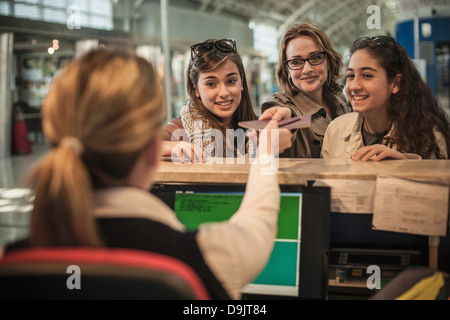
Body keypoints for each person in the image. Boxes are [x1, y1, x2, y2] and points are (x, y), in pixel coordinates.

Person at [2, 49, 289, 300]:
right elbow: (258, 224)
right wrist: (266, 156)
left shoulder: (13, 262)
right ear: (153, 150)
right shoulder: (197, 256)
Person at [161, 38, 291, 162]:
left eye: (231, 81)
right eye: (211, 84)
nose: (224, 93)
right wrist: (173, 146)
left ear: (241, 83)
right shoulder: (180, 129)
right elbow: (144, 146)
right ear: (196, 90)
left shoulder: (256, 129)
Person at [322, 36, 449, 161]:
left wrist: (404, 165)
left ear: (395, 84)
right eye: (350, 75)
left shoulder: (428, 135)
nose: (354, 86)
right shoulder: (336, 130)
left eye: (367, 75)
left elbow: (438, 180)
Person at [260, 22, 352, 158]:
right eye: (296, 62)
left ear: (328, 61)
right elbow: (276, 127)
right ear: (287, 70)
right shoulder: (280, 105)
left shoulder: (340, 98)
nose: (307, 69)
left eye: (315, 58)